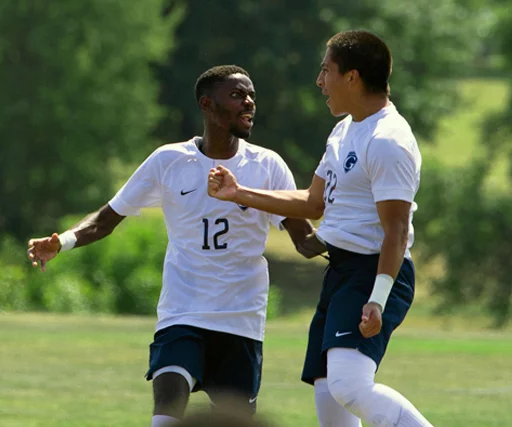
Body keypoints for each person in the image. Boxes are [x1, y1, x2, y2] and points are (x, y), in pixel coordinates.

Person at [27, 65, 319, 427]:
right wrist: (63, 242)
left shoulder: (268, 165)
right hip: (183, 313)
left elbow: (305, 241)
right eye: (237, 95)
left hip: (240, 318)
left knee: (237, 421)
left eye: (251, 96)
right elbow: (106, 219)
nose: (249, 103)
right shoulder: (169, 161)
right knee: (167, 410)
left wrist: (355, 235)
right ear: (207, 105)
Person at [208, 31, 434, 427]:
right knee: (330, 397)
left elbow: (395, 231)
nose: (319, 81)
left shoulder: (388, 140)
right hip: (342, 272)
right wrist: (238, 192)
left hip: (373, 272)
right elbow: (313, 203)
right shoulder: (345, 130)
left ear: (353, 77)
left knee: (349, 387)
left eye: (326, 70)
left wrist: (378, 298)